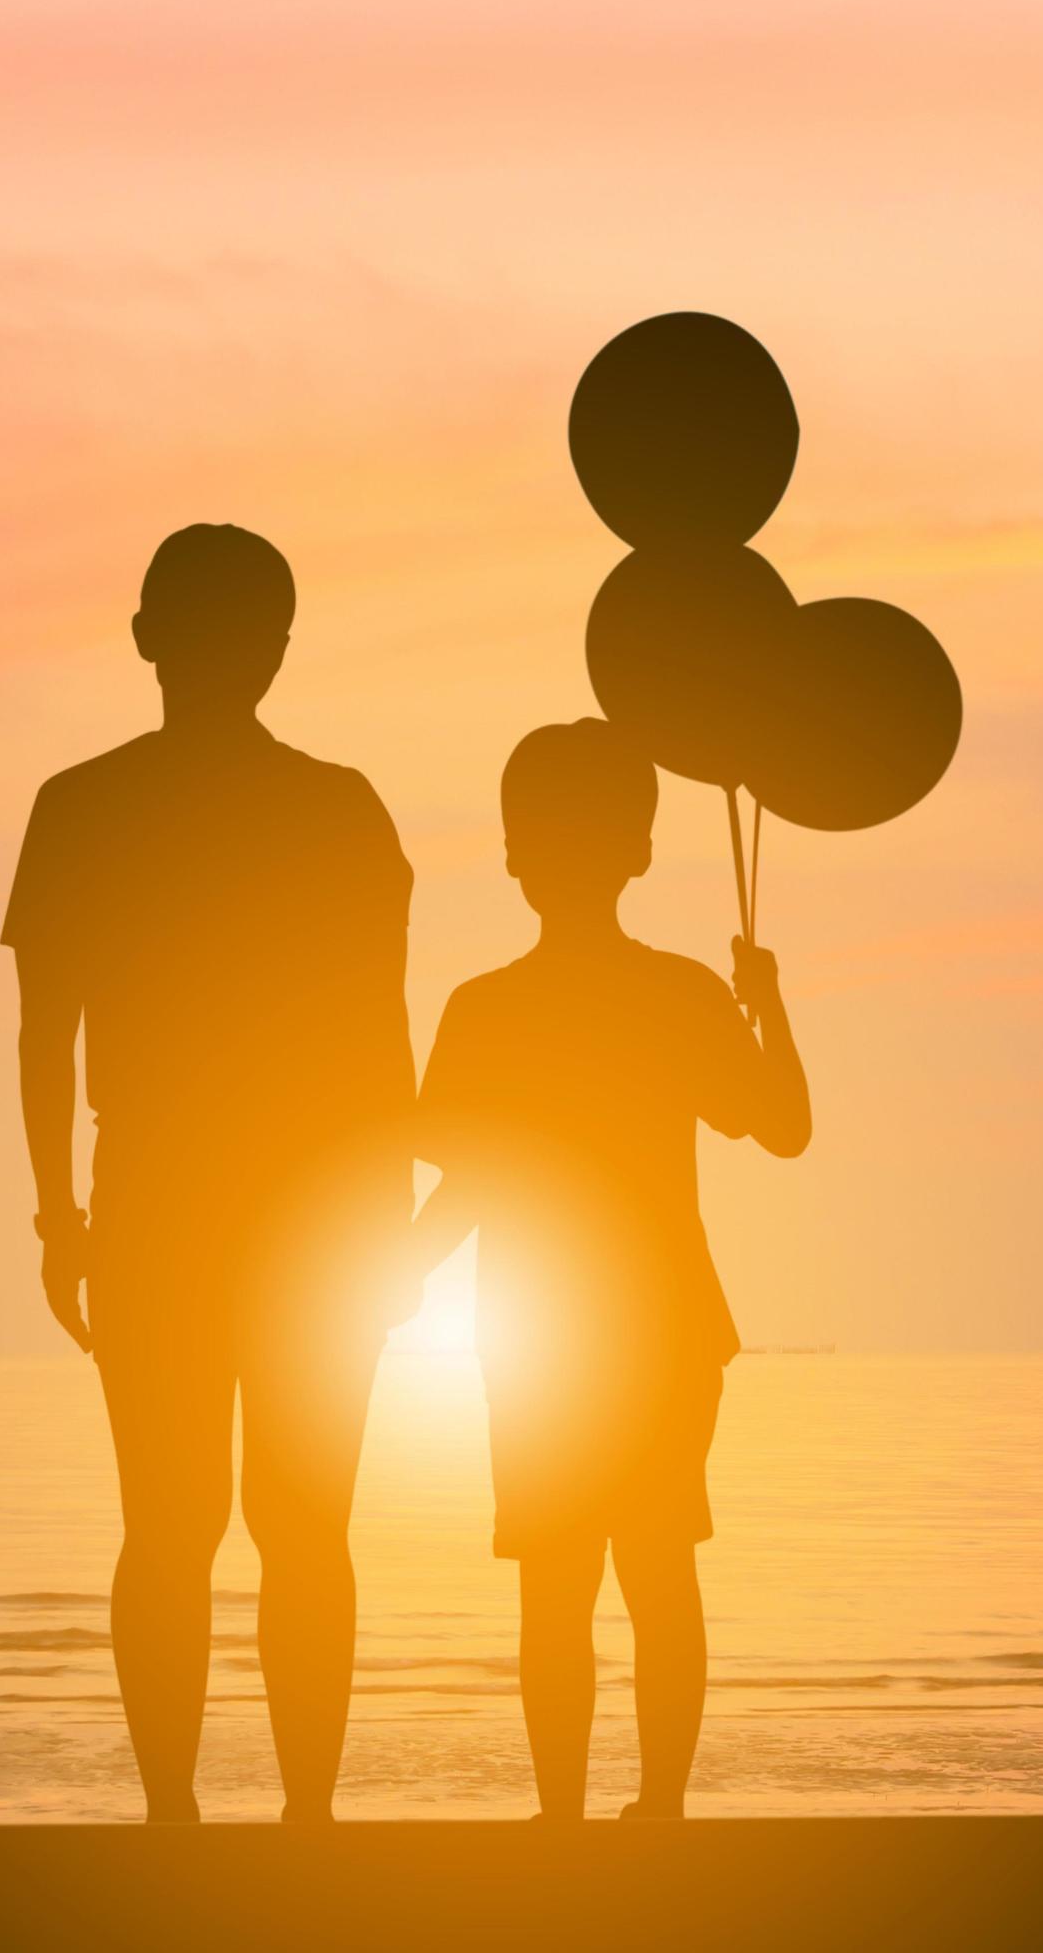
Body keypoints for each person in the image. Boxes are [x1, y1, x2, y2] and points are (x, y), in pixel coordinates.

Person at [3, 524, 415, 1823]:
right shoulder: (342, 809)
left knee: (168, 1529)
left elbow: (43, 1037)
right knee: (304, 1534)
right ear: (276, 652)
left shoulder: (79, 807)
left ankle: (173, 1818)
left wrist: (60, 1216)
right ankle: (305, 1822)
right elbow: (380, 1041)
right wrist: (386, 1221)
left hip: (160, 1202)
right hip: (309, 1211)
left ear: (145, 638)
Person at [410, 719, 811, 1819]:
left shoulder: (484, 1008)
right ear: (638, 850)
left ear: (511, 854)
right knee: (658, 1571)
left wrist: (399, 1265)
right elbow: (787, 1124)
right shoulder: (679, 992)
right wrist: (765, 998)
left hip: (545, 1338)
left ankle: (562, 1819)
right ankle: (661, 1812)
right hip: (663, 1328)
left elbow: (470, 1176)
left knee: (557, 1584)